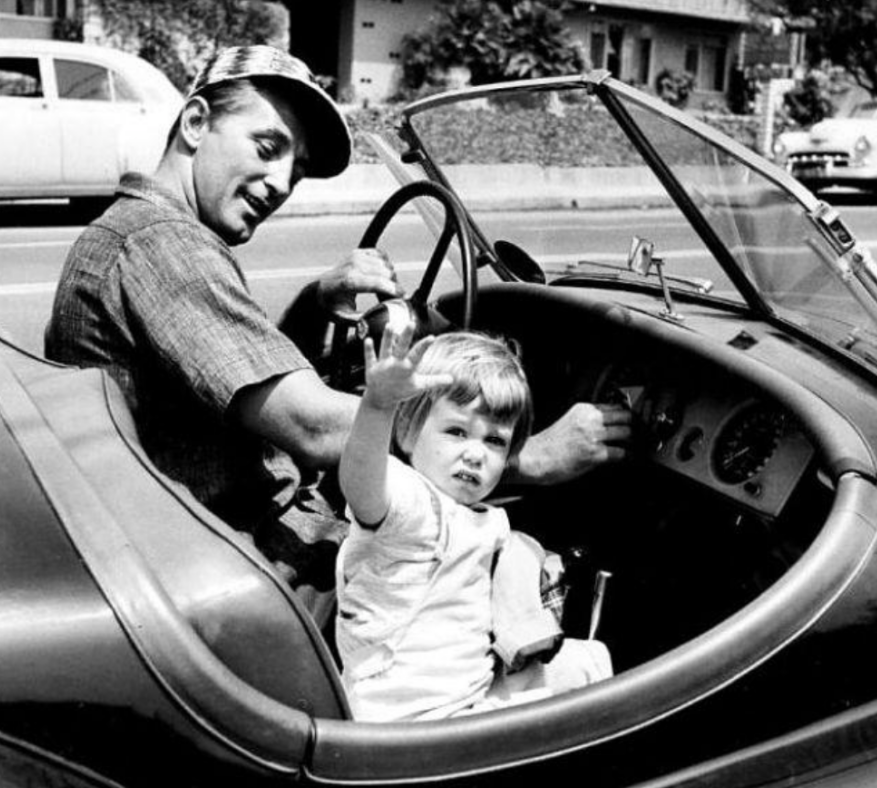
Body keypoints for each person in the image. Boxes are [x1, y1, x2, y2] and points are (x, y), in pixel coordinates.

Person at [45, 43, 631, 596]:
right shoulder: (163, 243)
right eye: (267, 147)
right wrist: (522, 455)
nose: (280, 184)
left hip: (192, 538)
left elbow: (226, 376)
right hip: (239, 557)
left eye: (295, 170)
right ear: (196, 123)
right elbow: (312, 427)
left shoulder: (142, 233)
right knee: (515, 570)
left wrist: (312, 302)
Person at [336, 327, 613, 721]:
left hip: (468, 693)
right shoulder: (410, 504)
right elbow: (361, 480)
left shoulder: (477, 515)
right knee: (605, 693)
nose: (475, 453)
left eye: (495, 441)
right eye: (457, 432)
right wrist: (377, 407)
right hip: (415, 722)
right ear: (408, 430)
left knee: (589, 662)